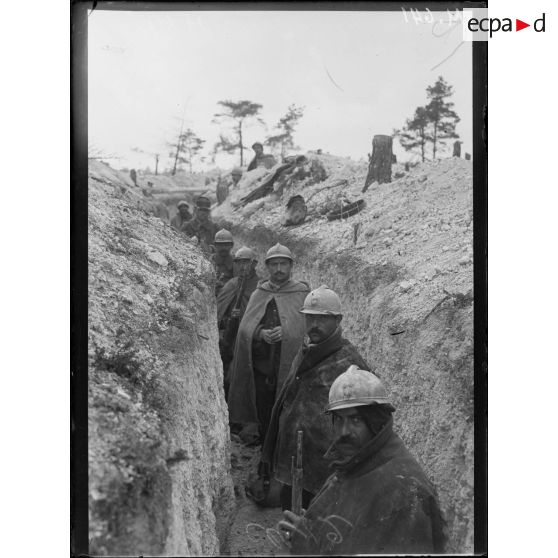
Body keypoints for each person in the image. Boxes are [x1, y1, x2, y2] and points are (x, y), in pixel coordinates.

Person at [279, 366, 448, 555]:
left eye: (356, 420)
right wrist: (315, 528)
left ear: (376, 422)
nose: (344, 431)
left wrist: (309, 547)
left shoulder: (403, 493)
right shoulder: (357, 463)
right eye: (339, 420)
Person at [257, 286, 370, 511]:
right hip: (294, 457)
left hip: (326, 468)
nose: (314, 325)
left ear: (338, 320)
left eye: (322, 319)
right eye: (310, 318)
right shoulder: (306, 350)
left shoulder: (349, 363)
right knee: (291, 518)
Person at [227, 243, 310, 445]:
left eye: (283, 264)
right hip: (263, 368)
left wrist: (288, 332)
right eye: (274, 264)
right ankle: (265, 450)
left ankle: (281, 450)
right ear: (267, 267)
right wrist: (260, 332)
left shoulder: (302, 294)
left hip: (292, 368)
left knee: (288, 412)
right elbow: (245, 328)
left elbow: (310, 329)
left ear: (290, 266)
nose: (279, 269)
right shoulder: (259, 293)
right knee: (264, 411)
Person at [217, 246, 261, 396]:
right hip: (227, 338)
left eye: (246, 262)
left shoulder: (259, 287)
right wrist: (226, 321)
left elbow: (260, 316)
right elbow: (219, 311)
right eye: (239, 263)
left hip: (249, 340)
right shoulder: (231, 284)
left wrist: (242, 315)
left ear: (254, 264)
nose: (243, 267)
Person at [213, 229, 235, 296]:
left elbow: (238, 284)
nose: (223, 248)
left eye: (226, 245)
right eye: (220, 245)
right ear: (215, 245)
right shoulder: (209, 261)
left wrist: (224, 285)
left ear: (231, 246)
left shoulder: (236, 263)